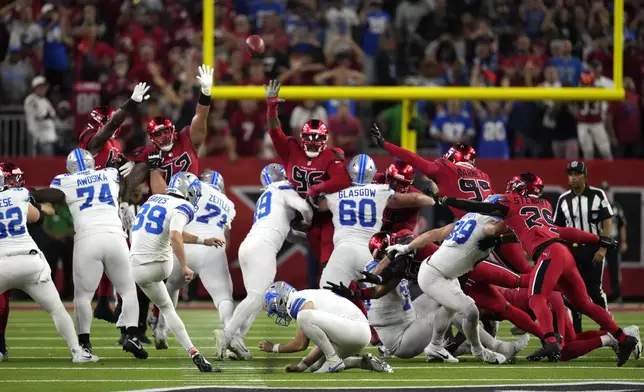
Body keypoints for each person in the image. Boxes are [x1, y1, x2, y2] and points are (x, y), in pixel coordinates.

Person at [435, 172, 638, 366]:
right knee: (584, 303)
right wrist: (596, 238)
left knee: (536, 297)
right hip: (562, 251)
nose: (510, 188)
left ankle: (550, 341)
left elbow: (477, 206)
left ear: (520, 187)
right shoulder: (544, 204)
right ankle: (622, 337)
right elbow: (558, 231)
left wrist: (448, 201)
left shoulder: (510, 201)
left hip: (549, 253)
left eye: (514, 185)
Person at [370, 124, 532, 274]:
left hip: (476, 229)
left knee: (463, 272)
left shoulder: (445, 168)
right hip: (499, 222)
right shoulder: (484, 176)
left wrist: (385, 144)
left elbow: (414, 159)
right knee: (524, 269)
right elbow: (498, 202)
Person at [32, 149, 147, 360]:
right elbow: (131, 181)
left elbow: (54, 196)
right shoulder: (109, 173)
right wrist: (133, 164)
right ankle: (131, 334)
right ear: (92, 162)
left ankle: (84, 344)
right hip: (115, 236)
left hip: (87, 238)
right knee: (128, 290)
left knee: (83, 297)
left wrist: (29, 193)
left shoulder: (64, 180)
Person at [213, 164, 313, 361]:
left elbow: (288, 234)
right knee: (257, 298)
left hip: (250, 245)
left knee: (256, 300)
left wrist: (309, 240)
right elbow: (303, 207)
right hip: (263, 248)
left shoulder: (266, 196)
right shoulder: (283, 188)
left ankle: (237, 341)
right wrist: (309, 222)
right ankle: (227, 334)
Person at [0, 169, 98, 363]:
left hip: (2, 262)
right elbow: (38, 216)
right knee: (57, 309)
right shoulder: (18, 194)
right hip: (29, 260)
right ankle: (77, 352)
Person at [130, 172, 221, 372]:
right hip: (161, 265)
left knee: (166, 307)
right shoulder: (184, 206)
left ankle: (192, 351)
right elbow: (174, 235)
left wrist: (202, 240)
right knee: (169, 306)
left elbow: (170, 229)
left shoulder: (154, 198)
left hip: (135, 268)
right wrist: (185, 266)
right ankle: (188, 348)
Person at [264, 79, 352, 267]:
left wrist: (317, 189)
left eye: (317, 140)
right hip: (295, 212)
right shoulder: (292, 149)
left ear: (326, 140)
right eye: (309, 140)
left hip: (321, 216)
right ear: (301, 138)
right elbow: (274, 131)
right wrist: (271, 108)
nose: (312, 144)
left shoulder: (330, 155)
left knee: (326, 260)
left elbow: (342, 180)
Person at [317, 154, 435, 286]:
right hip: (366, 234)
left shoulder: (407, 196)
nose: (395, 186)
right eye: (392, 181)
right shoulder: (376, 181)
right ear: (386, 176)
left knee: (396, 254)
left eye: (401, 184)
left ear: (409, 184)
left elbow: (404, 220)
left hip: (388, 236)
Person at [155, 169, 236, 351]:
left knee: (171, 287)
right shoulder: (228, 203)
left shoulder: (195, 187)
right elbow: (226, 232)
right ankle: (233, 339)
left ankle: (161, 328)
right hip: (213, 250)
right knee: (223, 298)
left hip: (187, 244)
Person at [257, 281, 393, 374]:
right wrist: (301, 367)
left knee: (303, 317)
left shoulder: (295, 300)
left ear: (281, 300)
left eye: (275, 309)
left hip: (354, 330)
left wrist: (274, 348)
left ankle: (333, 360)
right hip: (355, 332)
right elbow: (322, 340)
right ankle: (360, 363)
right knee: (314, 367)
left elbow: (300, 345)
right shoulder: (306, 295)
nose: (277, 313)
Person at [132, 65, 214, 195]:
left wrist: (206, 93)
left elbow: (201, 117)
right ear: (151, 138)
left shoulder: (186, 139)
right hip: (163, 207)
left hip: (191, 200)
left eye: (166, 132)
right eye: (158, 134)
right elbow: (134, 185)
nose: (164, 136)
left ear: (173, 130)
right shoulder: (148, 153)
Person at [554, 161, 613, 332]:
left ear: (584, 176)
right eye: (570, 174)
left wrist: (603, 248)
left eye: (576, 174)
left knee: (594, 291)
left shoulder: (597, 195)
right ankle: (576, 330)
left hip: (592, 249)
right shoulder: (563, 199)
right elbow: (557, 228)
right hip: (571, 252)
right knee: (572, 292)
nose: (572, 178)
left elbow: (607, 221)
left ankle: (606, 324)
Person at [600, 181, 627, 303]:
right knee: (594, 267)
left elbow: (622, 225)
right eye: (603, 190)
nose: (605, 192)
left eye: (607, 190)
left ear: (609, 191)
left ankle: (616, 294)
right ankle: (595, 293)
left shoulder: (615, 206)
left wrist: (624, 241)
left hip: (612, 240)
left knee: (614, 268)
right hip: (599, 240)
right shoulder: (596, 206)